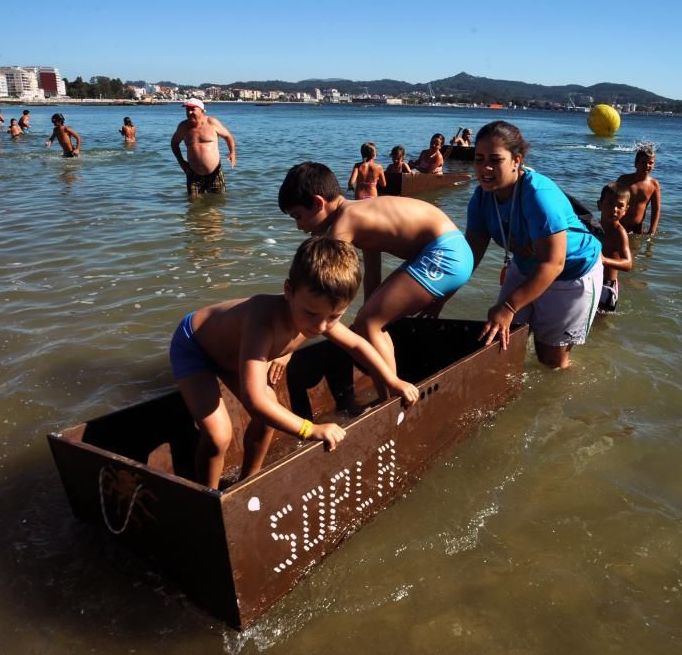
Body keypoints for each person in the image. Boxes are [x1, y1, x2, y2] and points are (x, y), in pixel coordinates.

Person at [171, 236, 419, 489]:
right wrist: (309, 429)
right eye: (311, 314)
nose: (321, 326)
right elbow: (254, 400)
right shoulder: (263, 322)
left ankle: (248, 482)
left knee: (268, 418)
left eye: (335, 316)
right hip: (196, 347)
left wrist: (393, 380)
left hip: (232, 353)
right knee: (218, 436)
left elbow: (357, 344)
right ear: (288, 291)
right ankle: (210, 496)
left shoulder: (314, 311)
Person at [279, 162, 473, 390]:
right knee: (370, 319)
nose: (298, 227)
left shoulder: (344, 223)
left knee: (369, 322)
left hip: (445, 254)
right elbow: (373, 271)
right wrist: (370, 312)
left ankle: (389, 400)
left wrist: (287, 346)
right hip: (452, 249)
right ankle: (391, 385)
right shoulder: (360, 211)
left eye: (297, 216)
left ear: (318, 203)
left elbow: (320, 293)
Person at [455, 120, 603, 369]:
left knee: (550, 361)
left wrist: (509, 306)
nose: (485, 168)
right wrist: (439, 294)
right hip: (526, 267)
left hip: (571, 272)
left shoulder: (538, 194)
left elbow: (553, 263)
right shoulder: (481, 198)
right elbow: (468, 256)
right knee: (502, 344)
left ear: (516, 160)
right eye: (479, 159)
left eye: (495, 159)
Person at [170, 98, 236, 198]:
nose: (189, 112)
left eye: (192, 109)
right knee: (193, 207)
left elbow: (228, 136)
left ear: (201, 110)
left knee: (217, 202)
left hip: (215, 173)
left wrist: (232, 153)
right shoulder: (183, 127)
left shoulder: (212, 123)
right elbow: (174, 143)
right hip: (192, 173)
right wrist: (181, 162)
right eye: (187, 110)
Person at [596, 182, 633, 314]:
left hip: (607, 285)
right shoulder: (594, 227)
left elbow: (628, 264)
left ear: (626, 210)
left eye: (620, 206)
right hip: (593, 280)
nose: (614, 209)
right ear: (599, 205)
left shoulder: (619, 232)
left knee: (602, 323)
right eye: (610, 204)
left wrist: (605, 260)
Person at [615, 144, 662, 236]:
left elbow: (656, 210)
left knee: (635, 249)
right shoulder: (624, 180)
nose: (647, 165)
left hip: (637, 227)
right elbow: (612, 200)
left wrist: (652, 230)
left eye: (650, 163)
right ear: (636, 164)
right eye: (643, 162)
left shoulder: (654, 185)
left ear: (654, 165)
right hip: (619, 223)